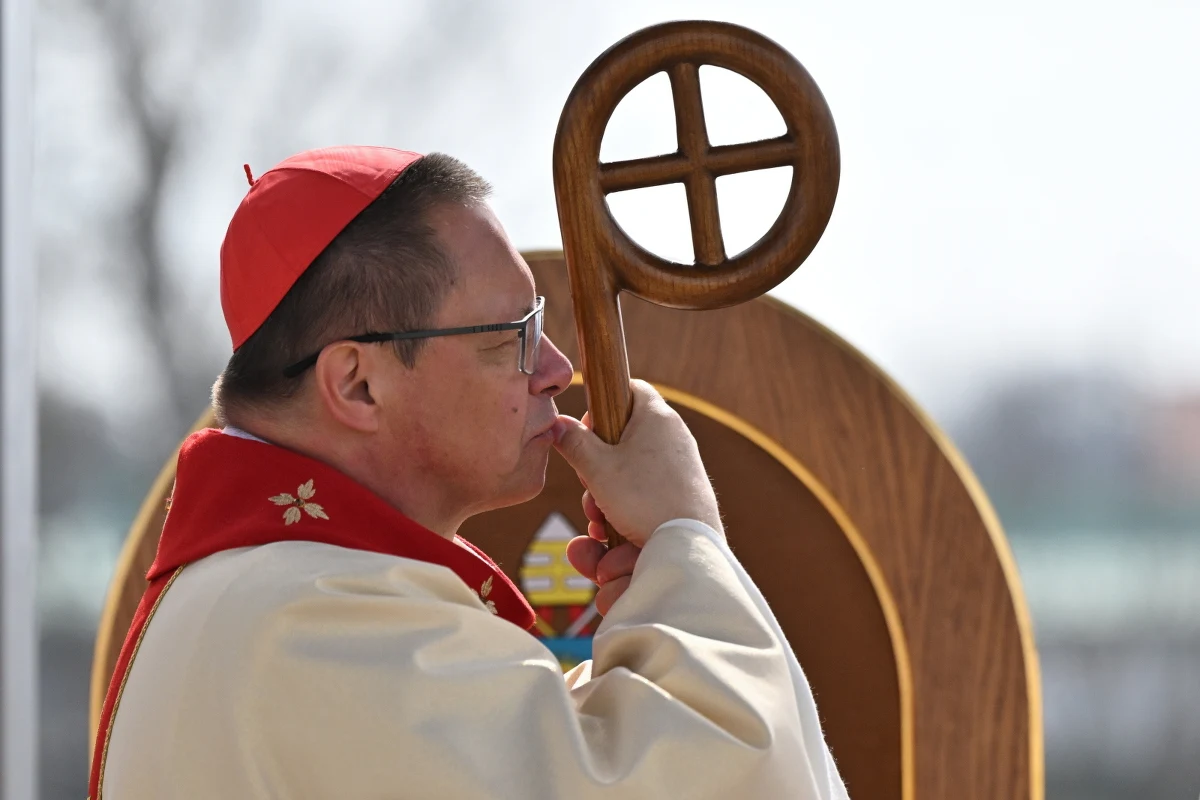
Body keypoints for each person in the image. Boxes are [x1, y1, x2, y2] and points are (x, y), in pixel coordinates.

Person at [88, 146, 849, 799]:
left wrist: (654, 612)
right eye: (513, 336)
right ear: (358, 384)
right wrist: (686, 545)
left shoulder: (292, 601)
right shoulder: (310, 622)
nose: (557, 369)